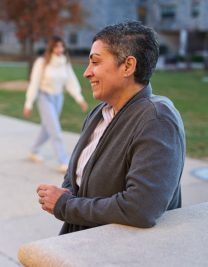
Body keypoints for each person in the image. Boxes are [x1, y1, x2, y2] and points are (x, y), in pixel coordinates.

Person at [36, 21, 185, 233]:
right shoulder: (99, 113)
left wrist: (65, 205)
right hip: (84, 243)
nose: (87, 73)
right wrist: (65, 192)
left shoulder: (156, 120)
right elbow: (75, 176)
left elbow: (141, 208)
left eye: (95, 62)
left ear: (128, 66)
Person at [23, 36, 88, 173]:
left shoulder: (65, 63)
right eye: (57, 46)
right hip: (44, 96)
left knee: (47, 128)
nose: (60, 49)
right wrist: (29, 103)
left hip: (58, 97)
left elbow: (71, 81)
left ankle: (33, 151)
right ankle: (63, 161)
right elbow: (34, 83)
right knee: (55, 129)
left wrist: (79, 98)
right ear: (51, 48)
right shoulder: (42, 62)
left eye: (62, 46)